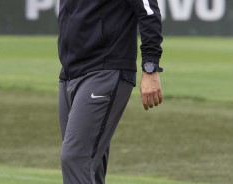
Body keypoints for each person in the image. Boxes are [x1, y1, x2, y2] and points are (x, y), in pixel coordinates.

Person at [57, 0, 163, 183]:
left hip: (105, 69)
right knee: (91, 165)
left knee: (76, 159)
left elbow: (148, 12)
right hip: (69, 72)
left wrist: (150, 67)